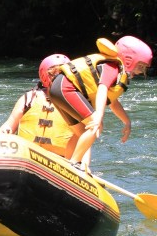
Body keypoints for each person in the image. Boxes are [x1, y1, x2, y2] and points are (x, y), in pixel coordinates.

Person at [48, 36, 152, 169]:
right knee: (95, 126)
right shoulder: (112, 67)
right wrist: (98, 116)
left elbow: (113, 103)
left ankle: (68, 162)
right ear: (129, 60)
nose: (140, 71)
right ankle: (74, 164)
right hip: (66, 88)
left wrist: (127, 122)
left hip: (58, 89)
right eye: (140, 66)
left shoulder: (117, 71)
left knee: (80, 131)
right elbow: (102, 88)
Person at [0, 54, 73, 157]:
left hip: (61, 160)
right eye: (53, 74)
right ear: (44, 75)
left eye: (62, 74)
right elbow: (9, 125)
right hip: (26, 155)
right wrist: (5, 130)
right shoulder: (29, 98)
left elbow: (83, 135)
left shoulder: (74, 100)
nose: (57, 78)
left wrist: (83, 165)